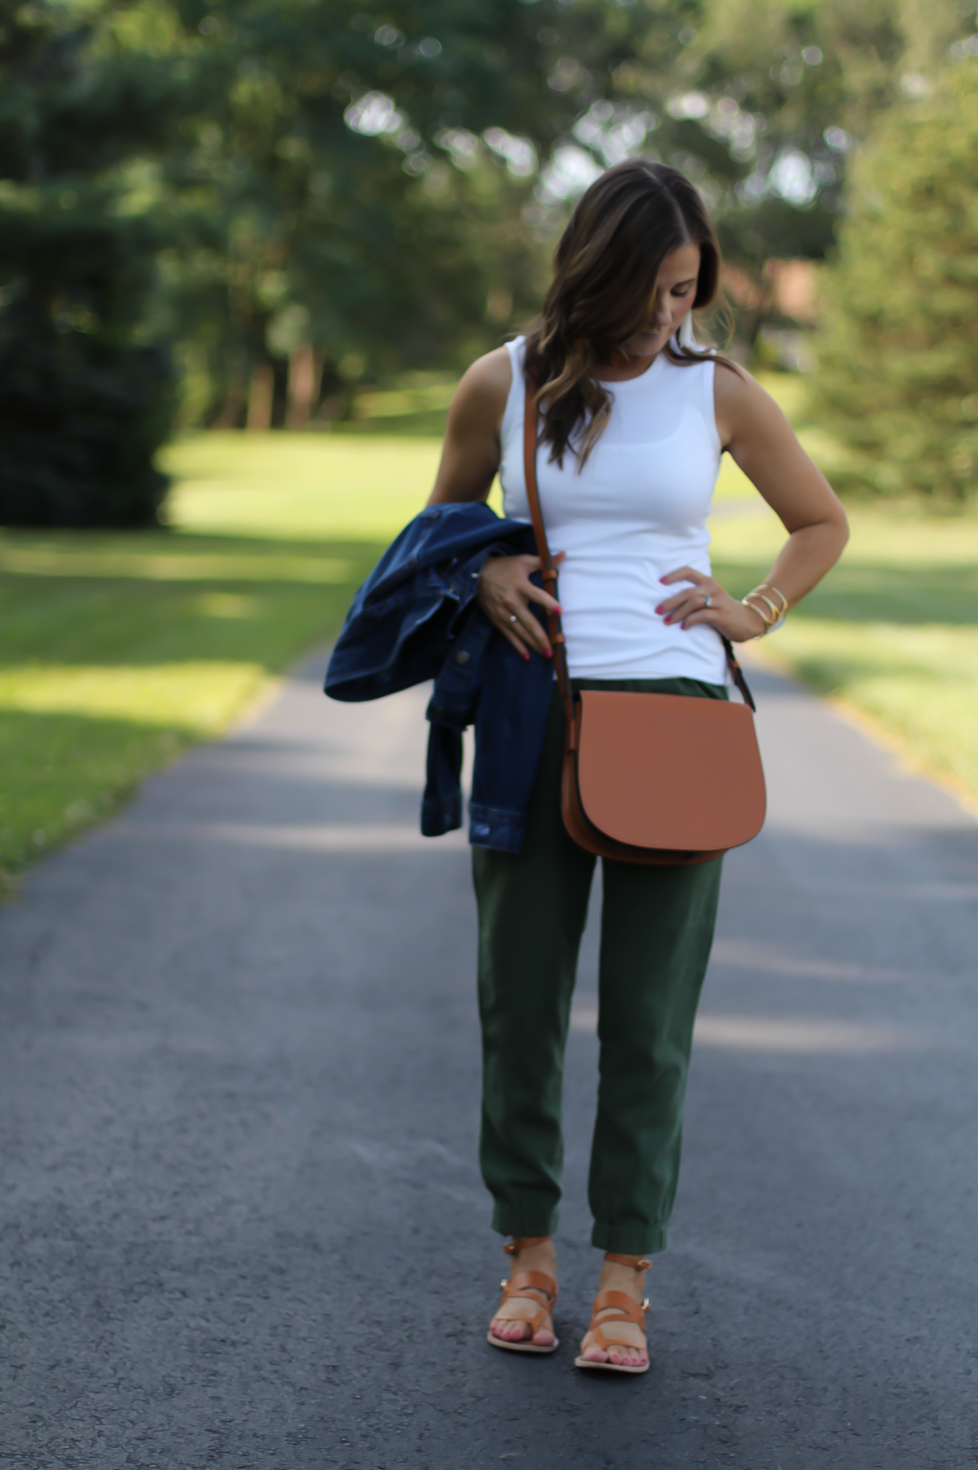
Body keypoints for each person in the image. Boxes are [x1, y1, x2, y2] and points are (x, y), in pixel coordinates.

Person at [425, 159, 849, 1373]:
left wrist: (756, 608)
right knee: (520, 1002)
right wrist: (486, 570)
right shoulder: (501, 382)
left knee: (652, 1021)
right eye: (659, 289)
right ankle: (528, 1261)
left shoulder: (717, 392)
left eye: (688, 291)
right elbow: (438, 533)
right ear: (600, 272)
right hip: (528, 711)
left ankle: (622, 1284)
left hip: (676, 718)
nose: (673, 315)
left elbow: (821, 520)